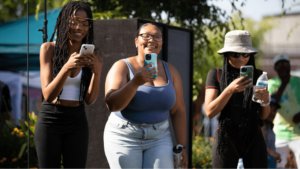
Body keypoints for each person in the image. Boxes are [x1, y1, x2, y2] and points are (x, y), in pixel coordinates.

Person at [103, 23, 188, 169]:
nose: (152, 40)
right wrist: (135, 82)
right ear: (136, 41)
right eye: (146, 36)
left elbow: (178, 110)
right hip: (124, 136)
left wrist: (181, 145)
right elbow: (112, 104)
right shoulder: (121, 66)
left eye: (157, 37)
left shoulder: (171, 71)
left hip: (159, 137)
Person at [34, 2, 103, 169]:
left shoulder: (95, 54)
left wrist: (97, 72)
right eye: (74, 21)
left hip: (77, 120)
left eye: (85, 22)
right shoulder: (48, 49)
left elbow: (90, 100)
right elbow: (49, 95)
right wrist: (66, 67)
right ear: (64, 22)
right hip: (50, 119)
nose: (80, 27)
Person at [205, 30, 270, 169]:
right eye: (235, 53)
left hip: (253, 137)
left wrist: (265, 101)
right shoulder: (216, 74)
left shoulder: (259, 75)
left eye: (245, 54)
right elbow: (209, 112)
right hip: (226, 137)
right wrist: (229, 90)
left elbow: (263, 116)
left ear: (250, 55)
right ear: (226, 54)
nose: (240, 57)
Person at [268, 54, 300, 168]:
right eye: (279, 64)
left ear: (290, 66)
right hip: (279, 133)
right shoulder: (271, 83)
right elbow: (271, 103)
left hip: (298, 134)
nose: (282, 66)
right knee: (278, 165)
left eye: (285, 63)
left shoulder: (298, 81)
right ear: (275, 68)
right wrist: (284, 84)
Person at [262, 97, 281, 168]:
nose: (272, 113)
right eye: (269, 109)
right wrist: (270, 152)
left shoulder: (272, 132)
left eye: (274, 110)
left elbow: (273, 154)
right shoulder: (256, 126)